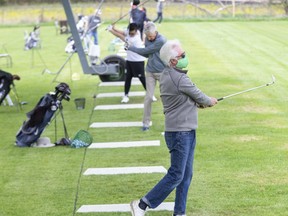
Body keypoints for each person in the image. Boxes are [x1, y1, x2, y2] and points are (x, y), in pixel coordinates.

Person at [130, 39, 218, 215]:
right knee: (177, 175)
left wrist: (195, 103)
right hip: (180, 133)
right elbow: (201, 97)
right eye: (182, 55)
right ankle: (142, 205)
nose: (186, 57)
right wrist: (209, 101)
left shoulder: (167, 73)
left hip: (185, 131)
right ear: (173, 61)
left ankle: (179, 212)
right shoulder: (180, 78)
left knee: (186, 176)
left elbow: (183, 98)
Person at [127, 21, 166, 131]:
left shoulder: (161, 40)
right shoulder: (148, 39)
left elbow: (148, 50)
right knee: (148, 97)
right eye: (148, 36)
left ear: (156, 32)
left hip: (162, 72)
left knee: (165, 98)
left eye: (151, 36)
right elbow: (146, 54)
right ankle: (146, 124)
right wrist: (131, 47)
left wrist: (131, 47)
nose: (150, 38)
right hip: (150, 71)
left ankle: (170, 124)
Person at [107, 23, 146, 103]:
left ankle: (150, 94)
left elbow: (120, 36)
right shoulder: (130, 31)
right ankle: (126, 95)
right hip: (129, 61)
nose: (131, 35)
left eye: (132, 33)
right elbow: (123, 32)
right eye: (130, 33)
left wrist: (111, 30)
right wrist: (114, 28)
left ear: (136, 31)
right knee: (128, 78)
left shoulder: (135, 39)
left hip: (138, 61)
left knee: (142, 78)